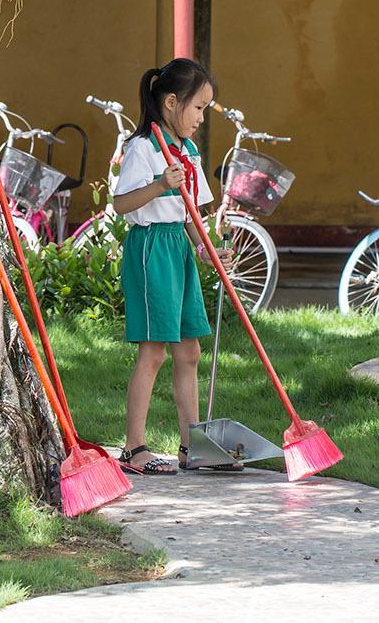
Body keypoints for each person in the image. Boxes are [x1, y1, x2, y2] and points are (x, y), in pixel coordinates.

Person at [110, 58, 217, 475]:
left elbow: (190, 212)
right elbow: (121, 204)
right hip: (151, 247)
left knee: (189, 350)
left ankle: (192, 446)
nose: (201, 118)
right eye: (198, 107)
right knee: (153, 351)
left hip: (179, 247)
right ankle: (134, 448)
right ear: (171, 102)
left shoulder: (187, 151)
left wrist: (205, 248)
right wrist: (159, 184)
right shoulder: (143, 147)